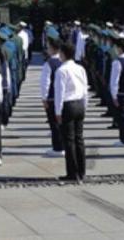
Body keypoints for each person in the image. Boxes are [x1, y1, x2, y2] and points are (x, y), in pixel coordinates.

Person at [54, 41, 88, 182]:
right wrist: (85, 105)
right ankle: (82, 170)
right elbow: (85, 88)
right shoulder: (80, 68)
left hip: (68, 105)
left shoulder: (61, 70)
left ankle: (72, 173)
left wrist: (58, 111)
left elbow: (59, 92)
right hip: (79, 103)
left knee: (69, 140)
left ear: (63, 54)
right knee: (79, 139)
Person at [39, 36, 65, 157]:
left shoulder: (48, 64)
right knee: (63, 123)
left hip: (52, 97)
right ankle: (63, 146)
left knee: (54, 124)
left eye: (49, 47)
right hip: (64, 97)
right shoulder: (63, 61)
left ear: (53, 49)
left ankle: (57, 147)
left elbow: (45, 83)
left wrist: (44, 98)